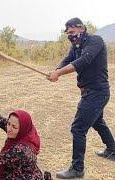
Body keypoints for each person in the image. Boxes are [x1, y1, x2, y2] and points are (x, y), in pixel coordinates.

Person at [46, 17, 115, 179]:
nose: (70, 35)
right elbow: (68, 59)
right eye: (67, 33)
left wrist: (59, 73)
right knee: (98, 122)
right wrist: (56, 70)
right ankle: (112, 150)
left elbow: (84, 61)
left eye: (72, 32)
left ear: (82, 28)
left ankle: (77, 169)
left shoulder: (95, 41)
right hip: (89, 92)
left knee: (78, 128)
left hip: (97, 92)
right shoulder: (76, 46)